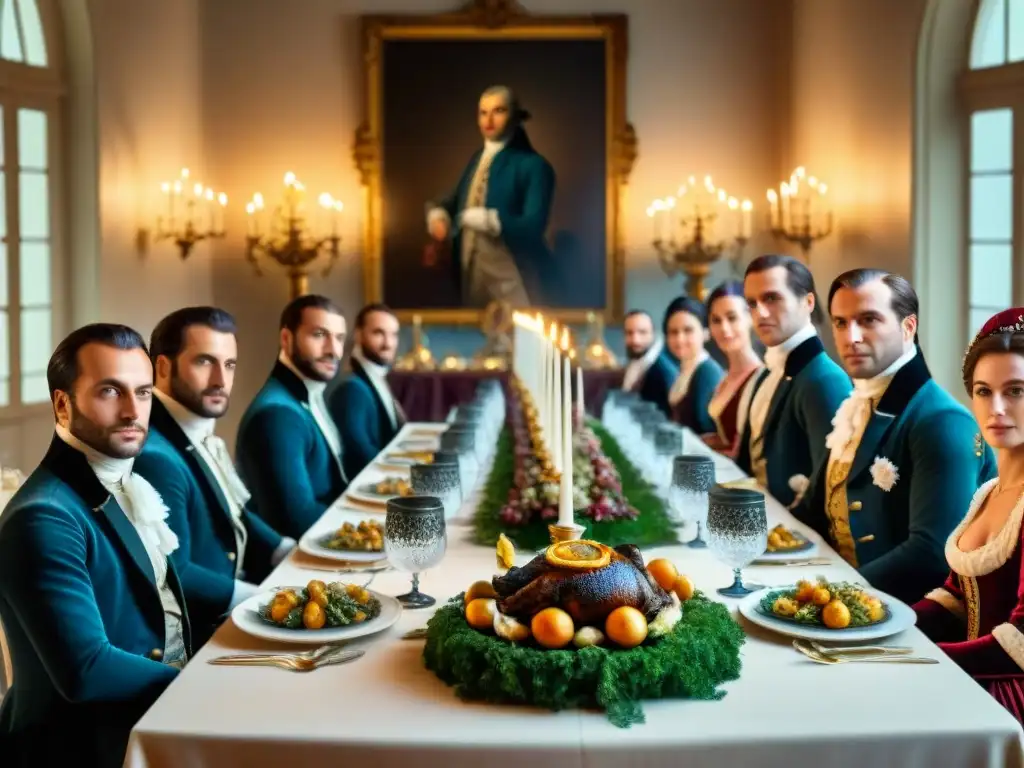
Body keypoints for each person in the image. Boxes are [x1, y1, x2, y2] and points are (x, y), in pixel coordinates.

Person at [0, 324, 190, 767]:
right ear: (63, 405)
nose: (132, 411)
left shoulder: (115, 480)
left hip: (148, 714)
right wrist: (198, 683)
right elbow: (86, 670)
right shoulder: (42, 516)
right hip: (83, 747)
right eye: (110, 391)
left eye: (143, 393)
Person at [793, 270, 995, 604]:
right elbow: (815, 509)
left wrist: (831, 594)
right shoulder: (857, 405)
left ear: (908, 327)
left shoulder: (942, 421)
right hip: (842, 595)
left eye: (868, 320)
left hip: (907, 619)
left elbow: (931, 555)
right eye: (841, 323)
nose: (850, 336)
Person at [135, 307, 296, 646]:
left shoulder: (191, 430)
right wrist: (265, 598)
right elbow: (176, 573)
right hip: (203, 631)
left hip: (234, 600)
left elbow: (234, 514)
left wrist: (288, 551)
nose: (221, 380)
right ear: (162, 367)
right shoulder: (156, 457)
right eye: (204, 362)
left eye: (229, 364)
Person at [913, 307, 1024, 725]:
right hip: (970, 671)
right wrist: (891, 621)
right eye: (983, 390)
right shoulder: (989, 493)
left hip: (1010, 692)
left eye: (1015, 391)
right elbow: (958, 595)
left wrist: (925, 658)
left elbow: (1021, 639)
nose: (996, 407)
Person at [736, 254, 852, 507]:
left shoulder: (825, 380)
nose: (760, 313)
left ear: (808, 302)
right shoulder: (766, 372)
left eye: (771, 298)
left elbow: (833, 490)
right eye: (752, 303)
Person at [425, 84, 556, 308]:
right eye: (483, 112)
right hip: (471, 273)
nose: (489, 120)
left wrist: (489, 220)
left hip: (513, 276)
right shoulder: (477, 160)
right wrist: (438, 216)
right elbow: (452, 201)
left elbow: (534, 225)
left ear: (514, 117)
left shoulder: (534, 166)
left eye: (499, 111)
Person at [236, 295, 348, 539]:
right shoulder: (277, 416)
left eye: (339, 338)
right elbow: (297, 519)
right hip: (298, 563)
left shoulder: (307, 394)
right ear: (286, 339)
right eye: (319, 335)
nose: (334, 351)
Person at [328, 303, 405, 479]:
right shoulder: (351, 388)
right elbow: (359, 454)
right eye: (378, 333)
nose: (388, 343)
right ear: (358, 335)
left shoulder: (375, 377)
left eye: (393, 335)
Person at [700, 281, 763, 455]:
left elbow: (752, 452)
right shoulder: (726, 377)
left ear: (751, 318)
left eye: (732, 318)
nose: (724, 329)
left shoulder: (760, 377)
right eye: (716, 321)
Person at [663, 296, 724, 434]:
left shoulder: (707, 372)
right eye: (673, 332)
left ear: (706, 333)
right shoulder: (685, 368)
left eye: (688, 330)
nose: (679, 339)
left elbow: (707, 431)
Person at [621, 309, 678, 417]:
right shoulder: (635, 362)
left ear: (652, 334)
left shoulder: (663, 371)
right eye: (629, 333)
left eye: (642, 332)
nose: (635, 340)